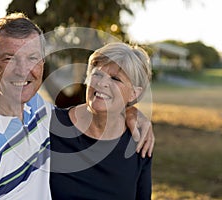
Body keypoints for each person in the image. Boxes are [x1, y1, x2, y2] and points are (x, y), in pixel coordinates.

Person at [0, 13, 153, 199]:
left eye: (32, 58)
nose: (23, 70)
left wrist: (131, 112)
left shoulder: (36, 111)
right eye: (9, 58)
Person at [50, 42, 153, 199]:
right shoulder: (51, 126)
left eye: (115, 79)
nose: (101, 83)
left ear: (133, 94)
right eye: (97, 74)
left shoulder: (139, 142)